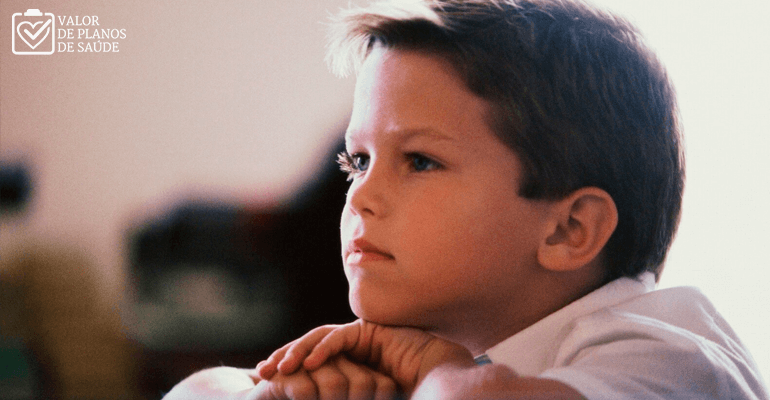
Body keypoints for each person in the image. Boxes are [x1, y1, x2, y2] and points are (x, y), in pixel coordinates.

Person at [163, 0, 769, 398]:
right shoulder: (420, 367)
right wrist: (264, 392)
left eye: (420, 161)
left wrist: (434, 371)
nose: (361, 196)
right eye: (359, 161)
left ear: (568, 230)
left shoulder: (672, 355)